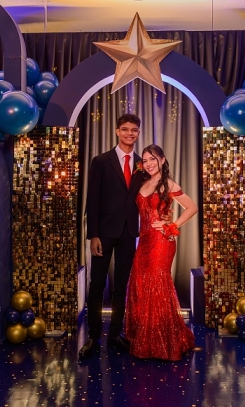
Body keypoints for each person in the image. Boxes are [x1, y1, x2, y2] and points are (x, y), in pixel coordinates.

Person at [79, 114, 145, 359]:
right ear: (117, 131)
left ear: (138, 133)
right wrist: (93, 235)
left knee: (121, 286)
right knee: (96, 284)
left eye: (134, 130)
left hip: (128, 232)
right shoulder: (101, 161)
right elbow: (92, 199)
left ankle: (116, 333)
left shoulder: (142, 164)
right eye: (125, 129)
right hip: (104, 233)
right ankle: (94, 336)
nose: (130, 133)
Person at [125, 144, 197, 361]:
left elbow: (192, 207)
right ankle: (146, 337)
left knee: (157, 284)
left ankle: (163, 341)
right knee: (140, 282)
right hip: (144, 240)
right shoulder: (142, 182)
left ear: (162, 160)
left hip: (161, 241)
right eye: (145, 160)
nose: (148, 164)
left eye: (152, 159)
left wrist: (172, 225)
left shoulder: (169, 184)